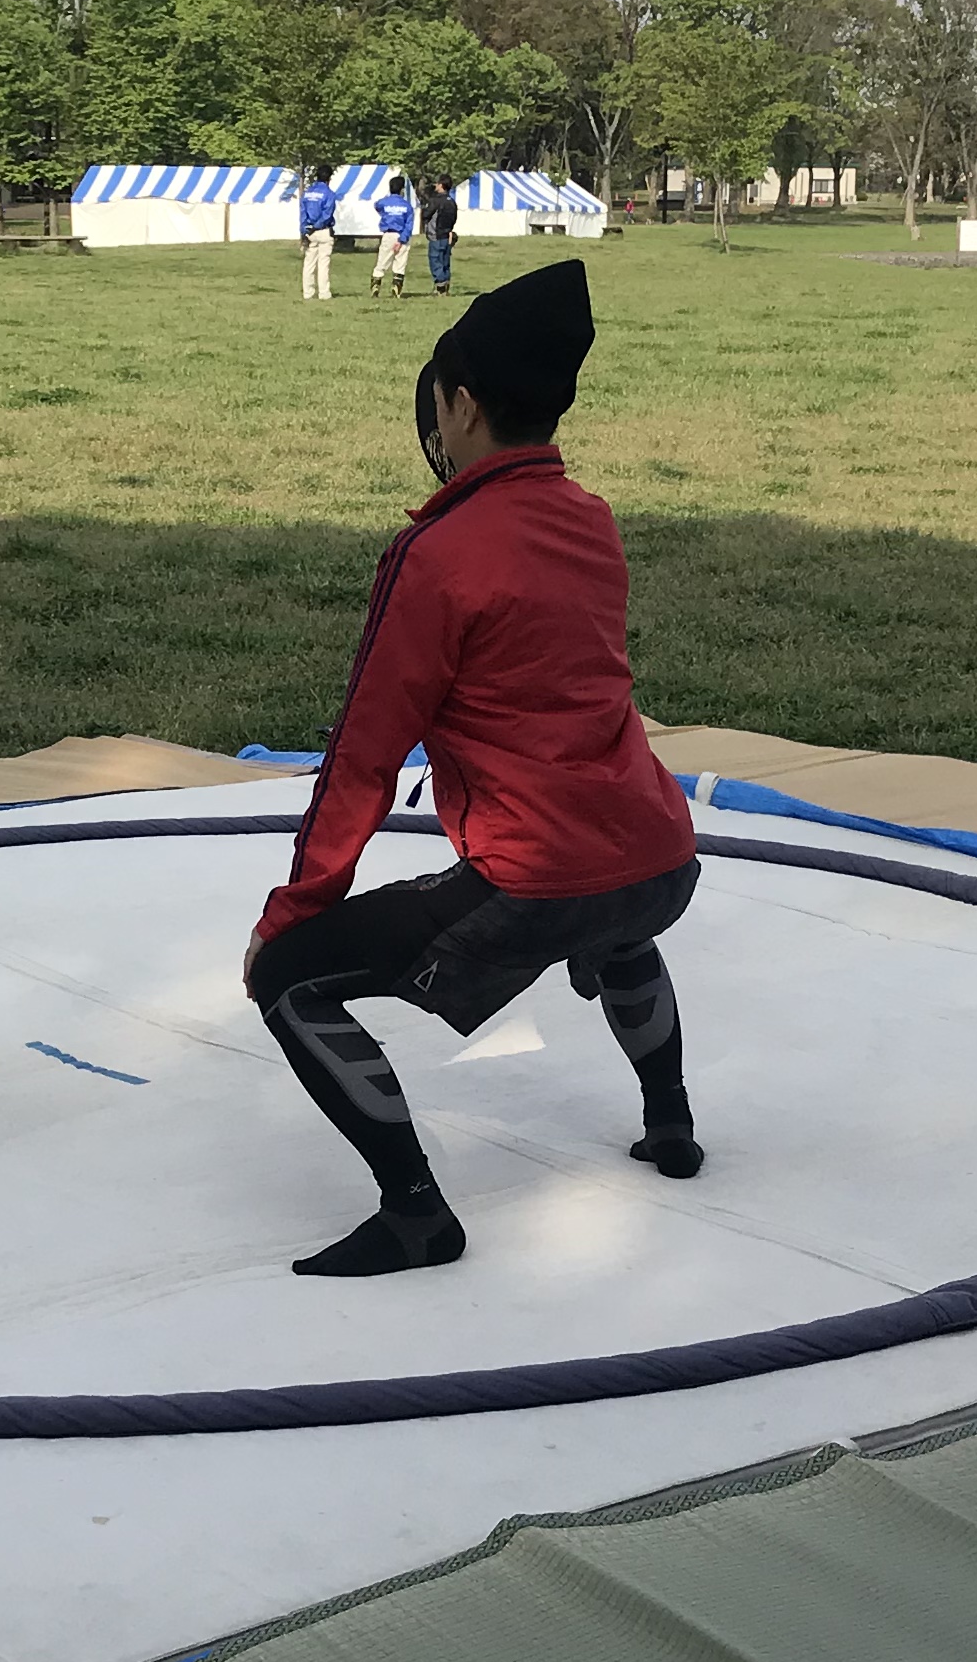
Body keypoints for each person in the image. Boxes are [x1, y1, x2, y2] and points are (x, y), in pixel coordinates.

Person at [241, 260, 702, 1276]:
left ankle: (415, 1212)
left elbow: (364, 754)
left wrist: (294, 911)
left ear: (460, 406)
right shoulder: (589, 517)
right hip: (661, 859)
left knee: (287, 980)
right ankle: (670, 1122)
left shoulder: (439, 554)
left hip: (536, 882)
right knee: (615, 921)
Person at [369, 169, 415, 292]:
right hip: (402, 235)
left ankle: (376, 285)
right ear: (402, 189)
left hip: (388, 234)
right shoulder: (407, 206)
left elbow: (377, 205)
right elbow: (409, 225)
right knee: (400, 263)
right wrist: (402, 240)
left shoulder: (384, 203)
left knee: (382, 261)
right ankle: (396, 287)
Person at [295, 165, 337, 300]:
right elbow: (327, 215)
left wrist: (305, 229)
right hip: (323, 230)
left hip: (309, 231)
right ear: (329, 178)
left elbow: (303, 213)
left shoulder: (307, 193)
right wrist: (317, 226)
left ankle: (308, 292)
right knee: (323, 263)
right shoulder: (329, 194)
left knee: (309, 263)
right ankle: (324, 293)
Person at [423, 173, 458, 293]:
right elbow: (454, 218)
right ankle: (446, 283)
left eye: (437, 183)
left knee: (435, 260)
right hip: (447, 234)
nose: (436, 185)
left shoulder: (436, 201)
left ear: (441, 185)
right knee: (445, 261)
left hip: (436, 235)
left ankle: (440, 285)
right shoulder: (452, 202)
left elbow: (426, 214)